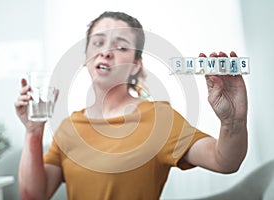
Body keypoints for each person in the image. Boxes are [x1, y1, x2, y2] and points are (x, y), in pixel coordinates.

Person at [14, 11, 248, 200]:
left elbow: (224, 161)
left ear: (136, 65)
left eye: (122, 47)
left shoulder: (160, 119)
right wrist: (33, 131)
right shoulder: (68, 127)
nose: (106, 52)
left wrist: (233, 122)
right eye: (98, 43)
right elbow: (33, 196)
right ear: (86, 56)